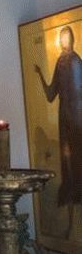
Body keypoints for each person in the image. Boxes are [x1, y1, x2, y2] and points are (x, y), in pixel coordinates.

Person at [35, 26, 82, 238]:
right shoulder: (61, 62)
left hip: (78, 121)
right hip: (65, 121)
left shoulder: (76, 61)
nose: (64, 41)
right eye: (61, 38)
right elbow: (50, 94)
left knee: (78, 167)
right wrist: (39, 75)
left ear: (72, 39)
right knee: (68, 169)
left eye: (66, 37)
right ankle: (71, 226)